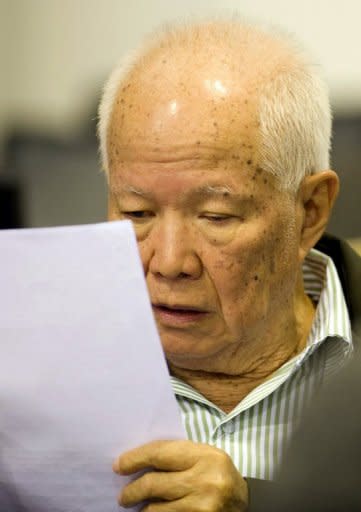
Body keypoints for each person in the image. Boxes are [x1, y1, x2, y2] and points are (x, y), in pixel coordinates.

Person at [98, 18, 361, 511]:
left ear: (310, 212)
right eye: (137, 213)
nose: (169, 262)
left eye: (216, 216)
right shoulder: (36, 364)